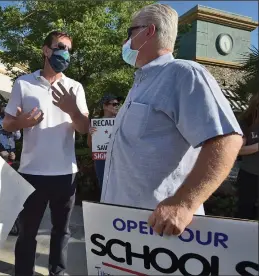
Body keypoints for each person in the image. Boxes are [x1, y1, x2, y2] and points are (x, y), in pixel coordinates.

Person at [101, 3, 243, 236]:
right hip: (125, 227)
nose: (125, 42)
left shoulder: (184, 74)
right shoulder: (141, 84)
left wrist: (185, 203)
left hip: (161, 230)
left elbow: (226, 139)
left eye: (130, 32)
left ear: (149, 31)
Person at [2, 31, 89, 276]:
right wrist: (21, 122)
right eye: (60, 47)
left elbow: (84, 129)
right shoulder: (24, 83)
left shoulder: (75, 87)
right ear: (46, 50)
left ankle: (57, 272)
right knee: (27, 231)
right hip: (31, 172)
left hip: (65, 174)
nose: (65, 53)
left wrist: (73, 111)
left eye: (69, 49)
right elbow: (7, 124)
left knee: (62, 231)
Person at [87, 94, 121, 189]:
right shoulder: (96, 124)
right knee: (104, 188)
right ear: (105, 106)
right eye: (114, 104)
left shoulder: (122, 121)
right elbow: (90, 144)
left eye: (118, 104)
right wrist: (90, 134)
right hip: (101, 160)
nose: (117, 106)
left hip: (119, 159)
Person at [235, 93, 259, 220]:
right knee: (245, 211)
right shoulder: (246, 123)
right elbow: (237, 150)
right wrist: (256, 147)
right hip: (249, 175)